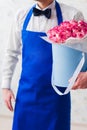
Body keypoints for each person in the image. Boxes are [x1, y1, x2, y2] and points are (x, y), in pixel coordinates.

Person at [1, 0, 87, 130]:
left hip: (56, 97)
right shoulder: (21, 15)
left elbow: (84, 52)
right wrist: (5, 87)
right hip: (26, 95)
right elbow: (11, 53)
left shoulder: (72, 15)